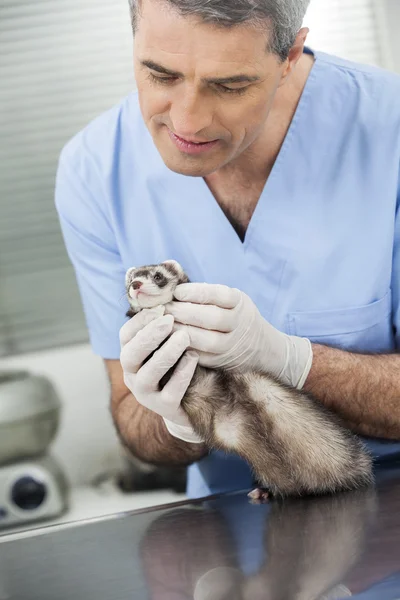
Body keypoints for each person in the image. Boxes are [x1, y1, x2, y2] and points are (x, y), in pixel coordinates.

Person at [55, 0, 400, 499]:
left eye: (230, 85)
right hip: (225, 535)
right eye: (160, 75)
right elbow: (134, 423)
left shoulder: (388, 131)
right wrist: (178, 418)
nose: (188, 122)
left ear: (289, 54)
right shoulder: (93, 171)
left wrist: (292, 361)